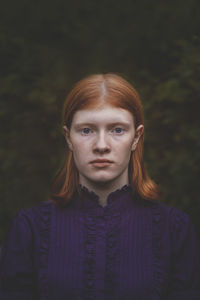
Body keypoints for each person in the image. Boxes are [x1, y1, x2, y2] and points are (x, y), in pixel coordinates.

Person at [0, 73, 200, 300]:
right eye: (86, 130)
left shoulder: (174, 229)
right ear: (68, 138)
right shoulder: (29, 229)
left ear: (136, 137)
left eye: (117, 130)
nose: (101, 145)